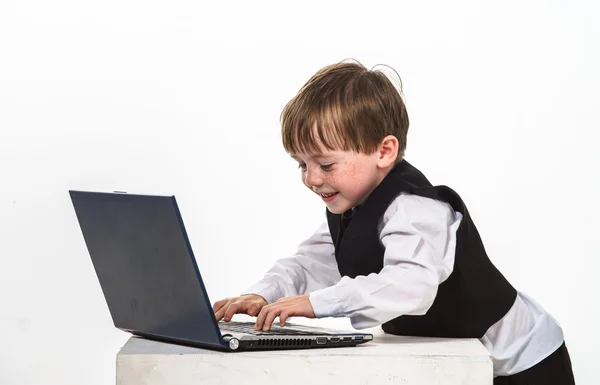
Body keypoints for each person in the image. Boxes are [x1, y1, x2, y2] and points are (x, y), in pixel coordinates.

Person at [212, 60, 575, 384]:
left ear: (384, 151)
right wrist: (263, 294)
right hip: (466, 362)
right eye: (301, 165)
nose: (310, 178)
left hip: (527, 363)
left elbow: (411, 284)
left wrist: (316, 303)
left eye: (325, 165)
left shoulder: (415, 208)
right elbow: (313, 261)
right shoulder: (352, 208)